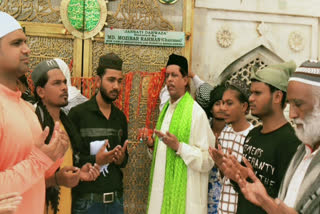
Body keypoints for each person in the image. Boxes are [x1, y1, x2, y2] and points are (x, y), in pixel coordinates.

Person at [210, 61, 301, 214]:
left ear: (277, 97)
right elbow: (245, 189)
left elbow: (289, 203)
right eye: (251, 93)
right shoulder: (253, 136)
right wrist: (232, 175)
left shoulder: (291, 142)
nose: (251, 98)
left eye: (257, 93)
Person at [0, 11, 68, 214]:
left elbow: (36, 176)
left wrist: (54, 155)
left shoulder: (25, 108)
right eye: (16, 43)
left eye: (26, 43)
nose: (27, 50)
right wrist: (38, 159)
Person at [235, 60, 320, 214]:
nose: (292, 115)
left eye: (299, 104)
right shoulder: (303, 151)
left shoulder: (291, 142)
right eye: (291, 104)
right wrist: (266, 202)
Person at [142, 53, 215, 214]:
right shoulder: (165, 112)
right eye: (167, 75)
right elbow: (162, 156)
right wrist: (151, 145)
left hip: (187, 202)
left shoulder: (196, 114)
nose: (169, 79)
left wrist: (180, 147)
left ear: (185, 80)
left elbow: (208, 160)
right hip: (160, 198)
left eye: (174, 75)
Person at [31, 59, 101, 214]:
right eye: (56, 83)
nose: (64, 87)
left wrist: (79, 173)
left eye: (64, 82)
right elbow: (23, 180)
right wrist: (55, 180)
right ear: (40, 91)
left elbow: (64, 171)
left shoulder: (67, 125)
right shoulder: (34, 126)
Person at [69, 53, 129, 214]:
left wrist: (121, 158)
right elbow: (69, 159)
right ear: (97, 81)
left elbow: (124, 161)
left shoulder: (120, 118)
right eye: (111, 80)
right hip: (87, 203)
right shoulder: (78, 114)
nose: (116, 86)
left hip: (115, 202)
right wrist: (96, 159)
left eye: (119, 81)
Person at [209, 79, 253, 214]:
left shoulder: (252, 136)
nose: (223, 108)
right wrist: (220, 164)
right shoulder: (225, 133)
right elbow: (223, 178)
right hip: (223, 207)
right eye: (222, 103)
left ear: (244, 107)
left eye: (229, 103)